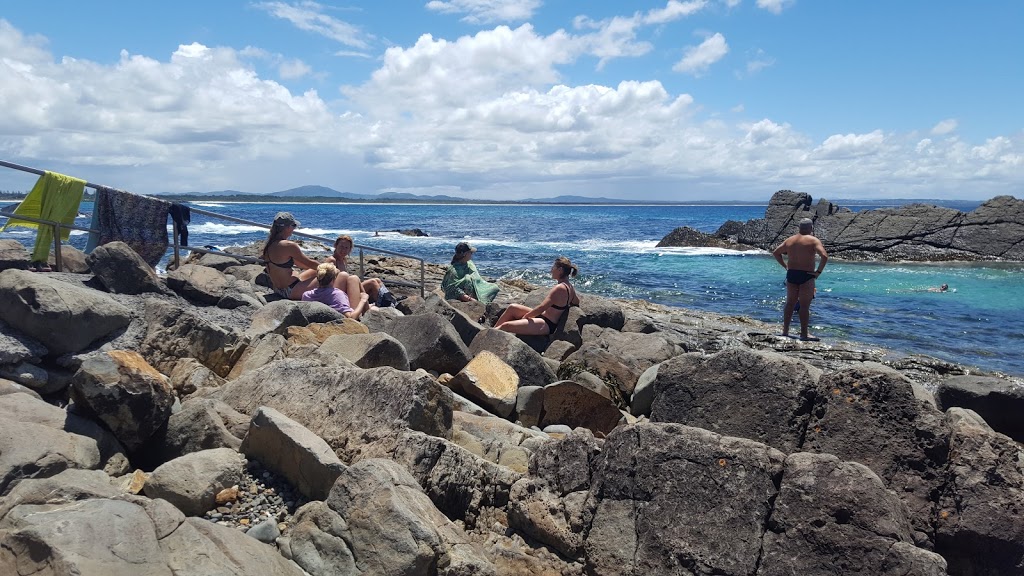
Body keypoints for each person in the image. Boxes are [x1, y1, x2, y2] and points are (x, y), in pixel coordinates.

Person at [262, 212, 360, 303]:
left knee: (320, 270)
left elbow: (302, 265)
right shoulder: (288, 245)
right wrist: (331, 270)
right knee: (341, 275)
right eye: (293, 226)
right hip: (290, 290)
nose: (294, 229)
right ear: (287, 227)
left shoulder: (269, 245)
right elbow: (309, 263)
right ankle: (348, 303)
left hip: (278, 289)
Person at [773, 217, 828, 341]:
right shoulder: (813, 240)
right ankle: (804, 334)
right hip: (806, 275)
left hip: (792, 274)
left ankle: (785, 332)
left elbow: (776, 252)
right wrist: (818, 272)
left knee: (790, 303)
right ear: (811, 228)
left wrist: (785, 266)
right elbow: (824, 256)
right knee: (804, 306)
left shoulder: (790, 240)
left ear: (799, 228)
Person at [494, 256, 580, 336]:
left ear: (560, 270)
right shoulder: (570, 287)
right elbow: (576, 302)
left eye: (553, 267)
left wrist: (526, 317)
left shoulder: (559, 288)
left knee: (505, 326)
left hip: (547, 324)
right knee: (512, 308)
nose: (551, 270)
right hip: (542, 316)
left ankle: (488, 336)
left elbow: (541, 308)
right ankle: (491, 331)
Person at [327, 234, 398, 306]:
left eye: (346, 248)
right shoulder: (332, 260)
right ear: (336, 246)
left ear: (349, 249)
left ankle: (391, 301)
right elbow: (327, 281)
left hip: (347, 289)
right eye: (341, 247)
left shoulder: (343, 259)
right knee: (372, 282)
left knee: (377, 280)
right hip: (340, 293)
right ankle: (387, 305)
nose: (343, 250)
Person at [301, 263, 370, 319]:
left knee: (352, 278)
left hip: (318, 321)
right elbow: (351, 318)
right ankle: (369, 312)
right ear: (334, 278)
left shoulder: (306, 295)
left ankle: (369, 309)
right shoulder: (337, 294)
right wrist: (363, 300)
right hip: (341, 322)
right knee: (354, 278)